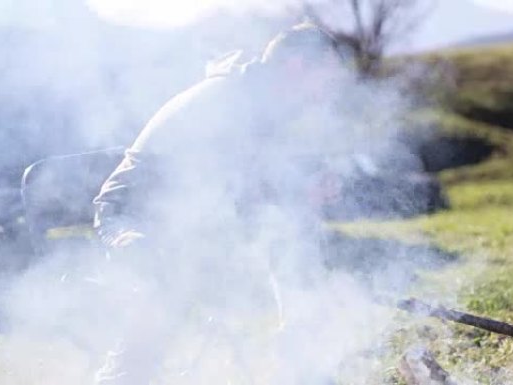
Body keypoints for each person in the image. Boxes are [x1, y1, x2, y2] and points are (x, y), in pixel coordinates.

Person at [90, 23, 352, 384]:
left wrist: (304, 186)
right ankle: (120, 376)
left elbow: (250, 184)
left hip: (190, 214)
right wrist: (293, 194)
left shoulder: (259, 98)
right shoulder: (233, 100)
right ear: (296, 67)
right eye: (326, 78)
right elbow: (228, 189)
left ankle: (304, 358)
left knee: (289, 229)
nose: (327, 92)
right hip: (133, 219)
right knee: (174, 268)